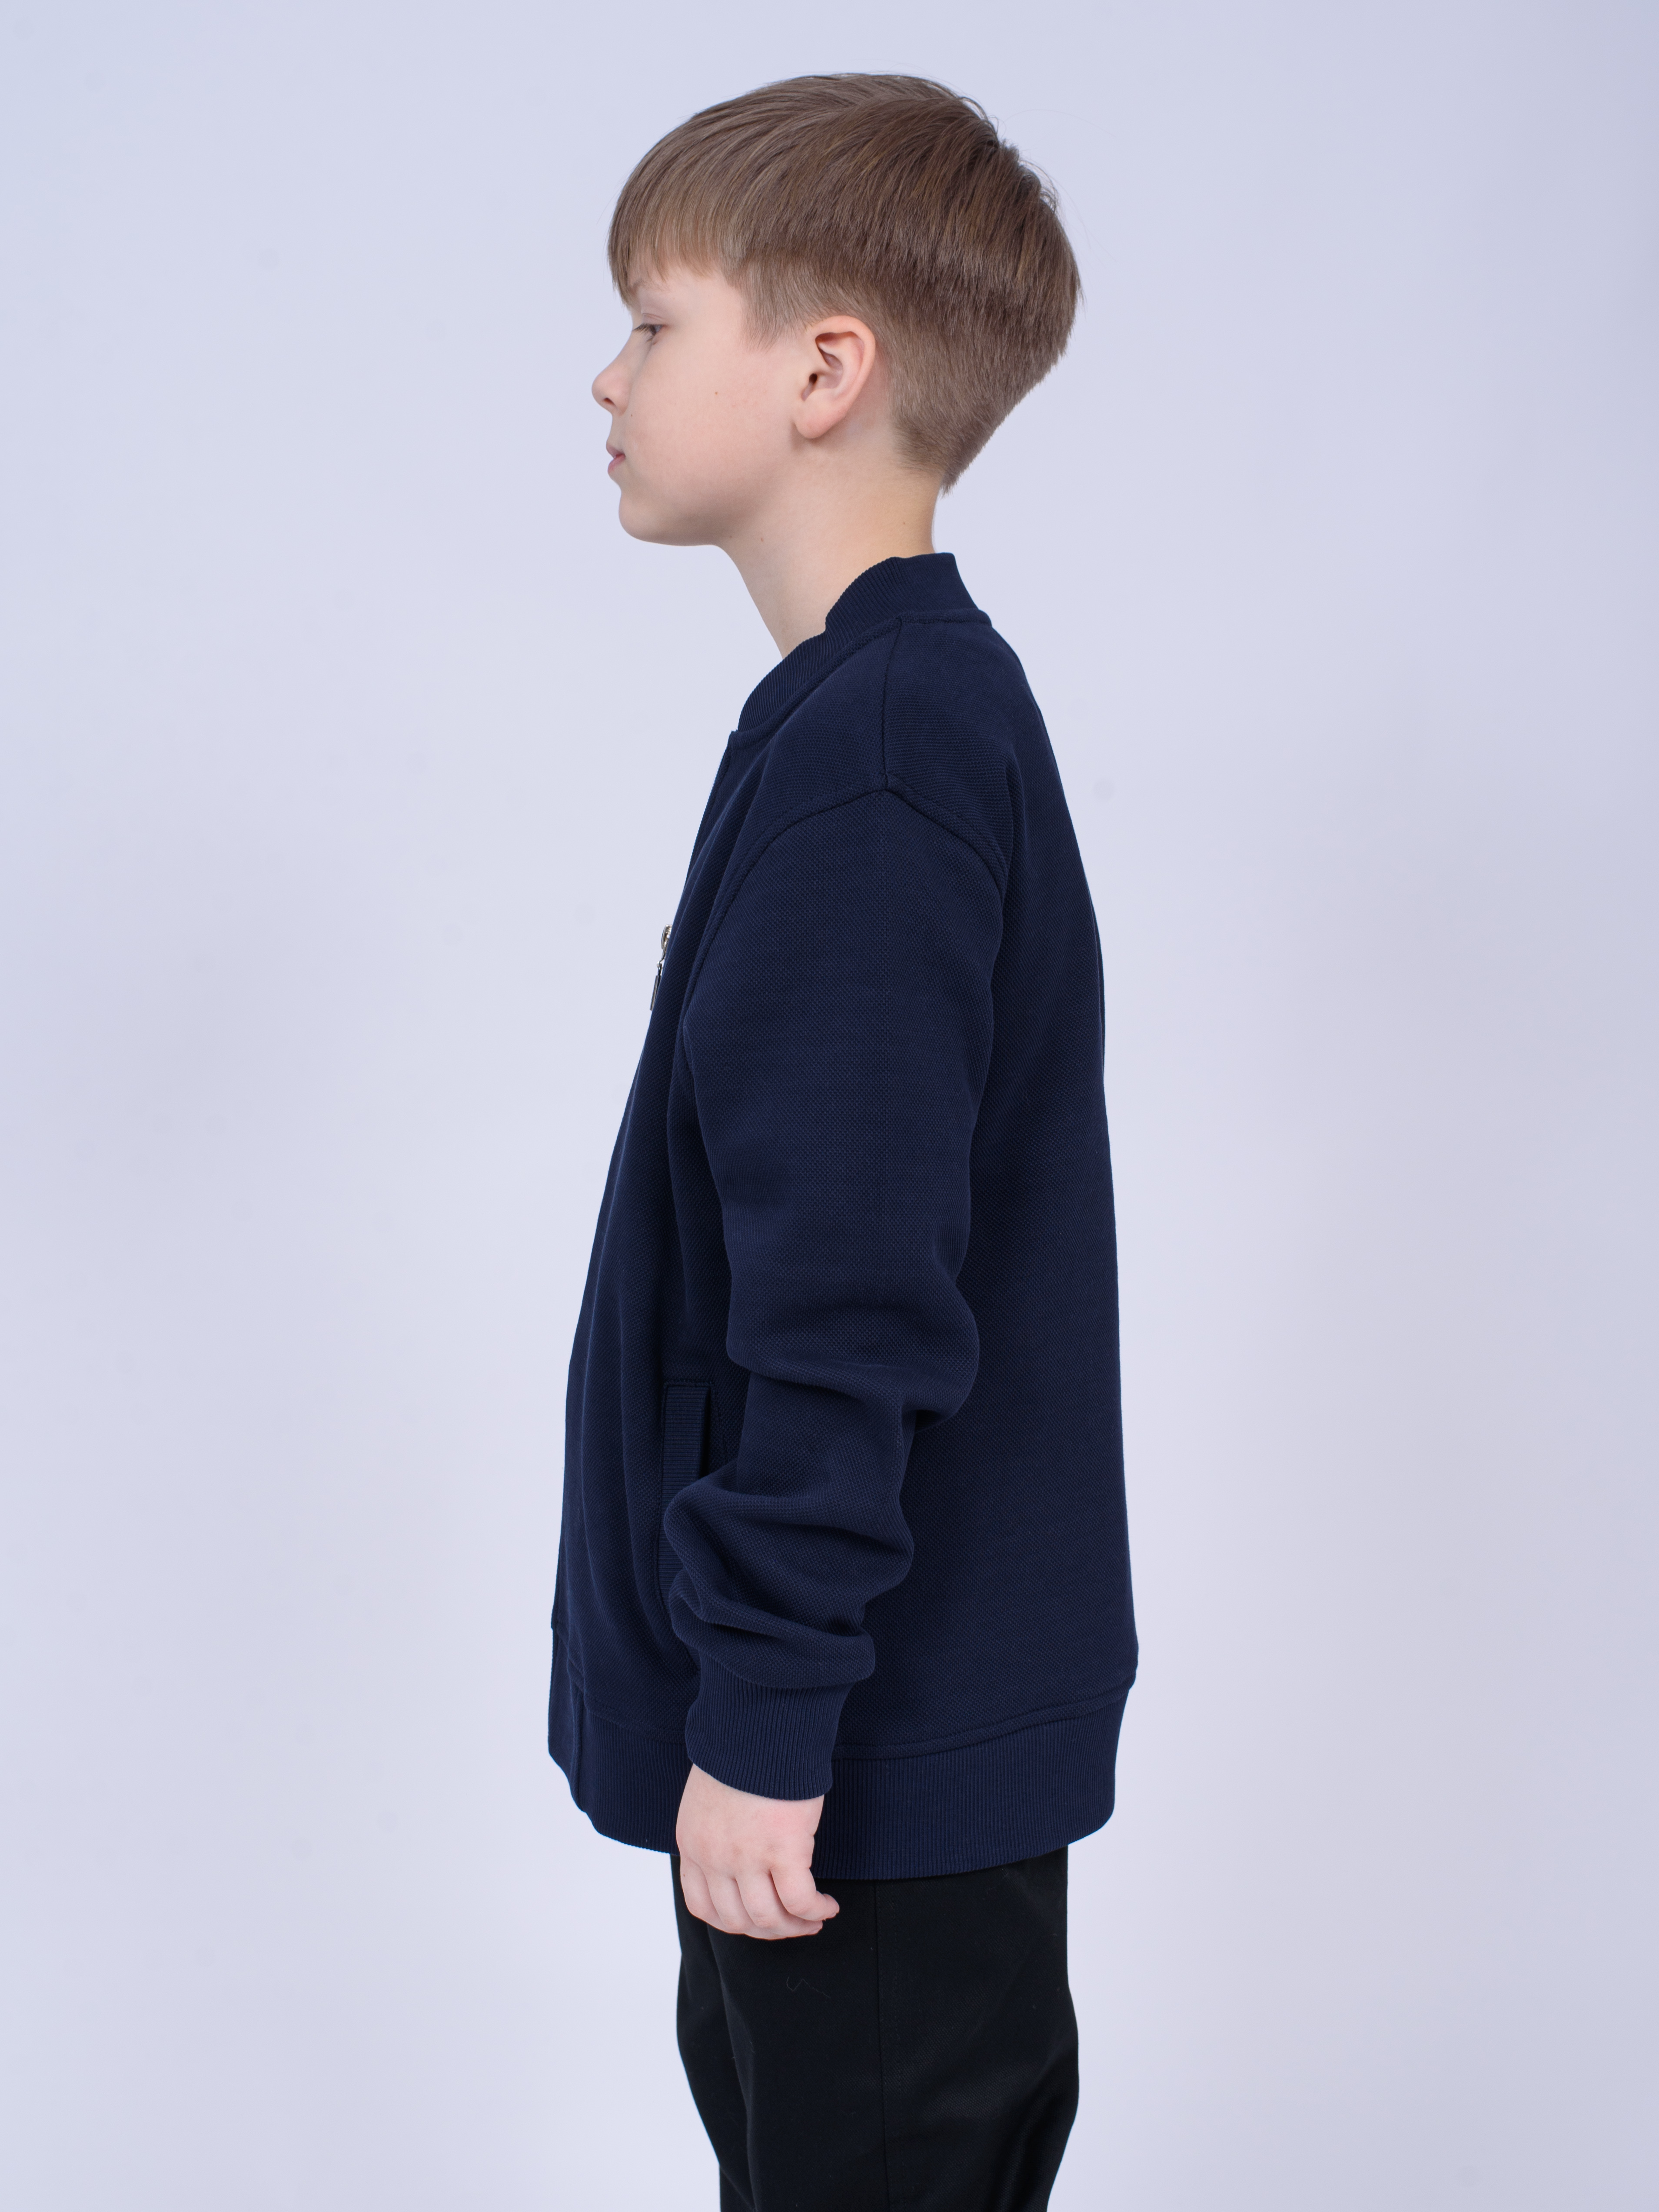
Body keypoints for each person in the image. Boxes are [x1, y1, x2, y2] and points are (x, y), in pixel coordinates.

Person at [549, 74, 1136, 2212]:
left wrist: (768, 1714)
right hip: (867, 1756)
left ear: (822, 372)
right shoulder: (875, 716)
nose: (604, 376)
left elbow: (851, 1299)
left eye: (651, 322)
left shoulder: (877, 759)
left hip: (854, 1767)